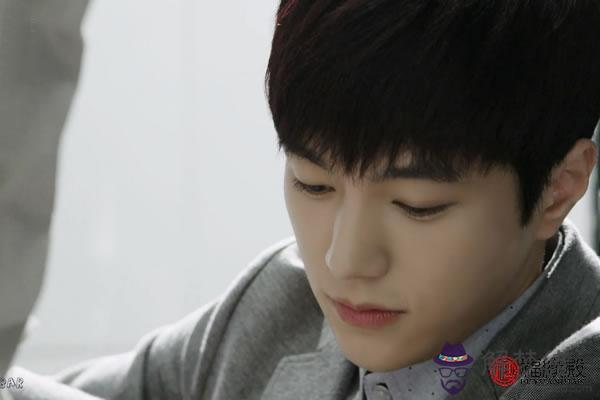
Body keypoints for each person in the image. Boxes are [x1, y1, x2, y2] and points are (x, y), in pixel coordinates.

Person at [2, 0, 600, 399]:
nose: (344, 260)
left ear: (559, 187)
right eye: (314, 183)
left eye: (417, 205)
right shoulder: (281, 302)